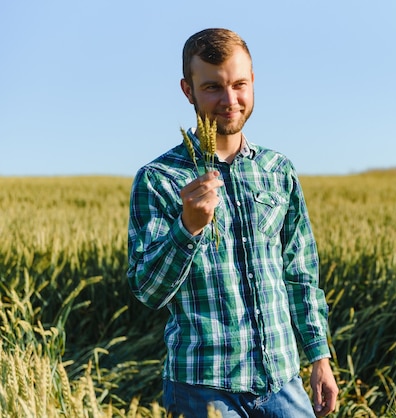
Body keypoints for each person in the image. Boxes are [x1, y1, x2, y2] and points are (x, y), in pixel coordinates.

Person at [126, 28, 338, 417]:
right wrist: (187, 228)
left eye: (239, 84)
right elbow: (147, 290)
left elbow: (300, 274)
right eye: (212, 88)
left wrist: (319, 358)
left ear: (253, 81)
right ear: (187, 90)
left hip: (282, 382)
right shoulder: (159, 179)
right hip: (203, 389)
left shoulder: (278, 170)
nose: (229, 100)